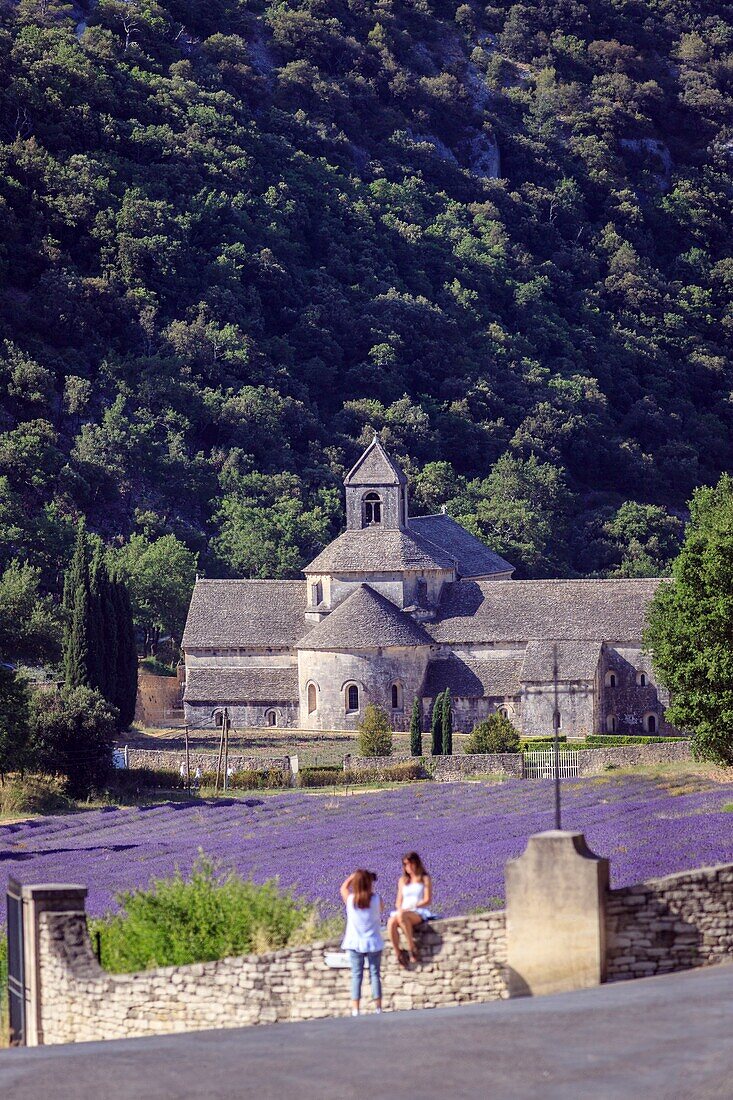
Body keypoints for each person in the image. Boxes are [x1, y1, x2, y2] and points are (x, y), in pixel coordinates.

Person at [339, 870, 384, 1017]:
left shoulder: (351, 900)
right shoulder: (377, 899)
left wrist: (352, 877)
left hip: (354, 942)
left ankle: (356, 1010)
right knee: (374, 975)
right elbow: (381, 910)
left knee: (357, 975)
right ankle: (378, 1008)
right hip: (373, 942)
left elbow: (343, 888)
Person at [387, 851, 433, 967]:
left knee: (401, 916)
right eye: (406, 864)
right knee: (391, 921)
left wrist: (413, 906)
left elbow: (427, 900)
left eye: (411, 864)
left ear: (417, 864)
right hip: (403, 911)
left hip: (417, 910)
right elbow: (398, 901)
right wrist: (401, 908)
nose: (409, 867)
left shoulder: (424, 878)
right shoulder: (403, 881)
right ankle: (399, 953)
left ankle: (412, 947)